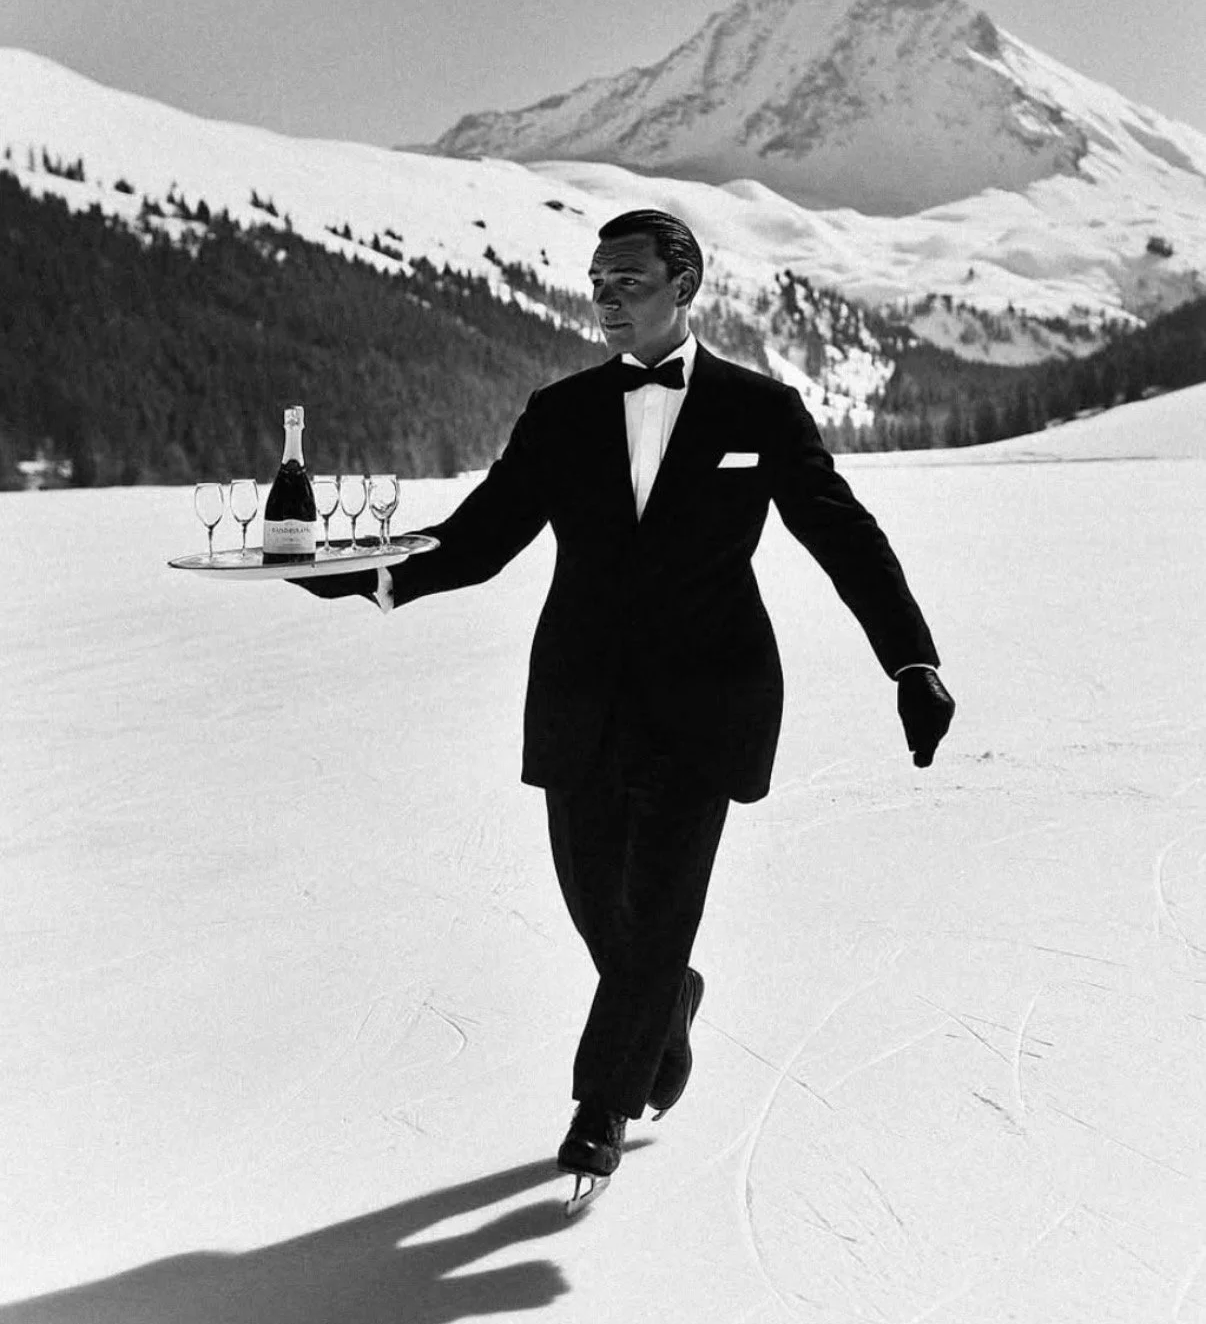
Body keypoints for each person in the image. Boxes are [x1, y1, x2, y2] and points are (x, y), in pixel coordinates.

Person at [295, 208, 955, 1186]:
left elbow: (842, 535)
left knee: (656, 911)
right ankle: (665, 1005)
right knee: (605, 911)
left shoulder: (758, 411)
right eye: (598, 282)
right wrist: (356, 570)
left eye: (629, 281)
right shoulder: (559, 415)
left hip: (709, 701)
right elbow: (476, 541)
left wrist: (910, 659)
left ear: (684, 288)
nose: (606, 299)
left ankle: (599, 1106)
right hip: (583, 699)